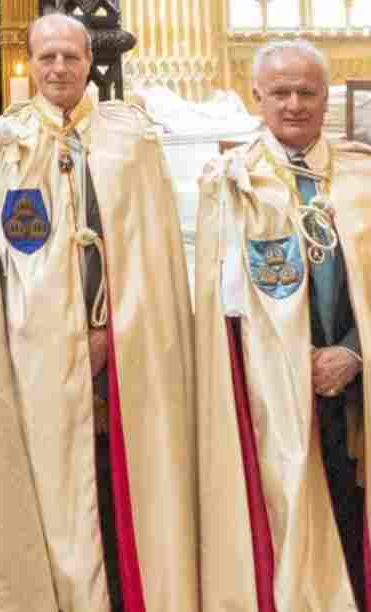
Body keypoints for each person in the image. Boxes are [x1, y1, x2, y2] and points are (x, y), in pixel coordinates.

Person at [0, 12, 198, 612]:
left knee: (128, 482)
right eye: (46, 57)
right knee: (55, 484)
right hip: (39, 347)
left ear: (88, 59)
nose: (59, 68)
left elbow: (155, 250)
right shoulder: (1, 142)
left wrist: (112, 329)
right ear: (31, 62)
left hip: (130, 340)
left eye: (70, 56)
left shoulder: (132, 138)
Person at [197, 39, 371, 612]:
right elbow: (221, 306)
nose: (294, 104)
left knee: (351, 526)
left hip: (355, 386)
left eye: (307, 92)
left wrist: (353, 352)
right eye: (280, 93)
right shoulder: (231, 181)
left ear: (328, 97)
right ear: (257, 97)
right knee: (286, 519)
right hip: (269, 389)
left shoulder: (363, 179)